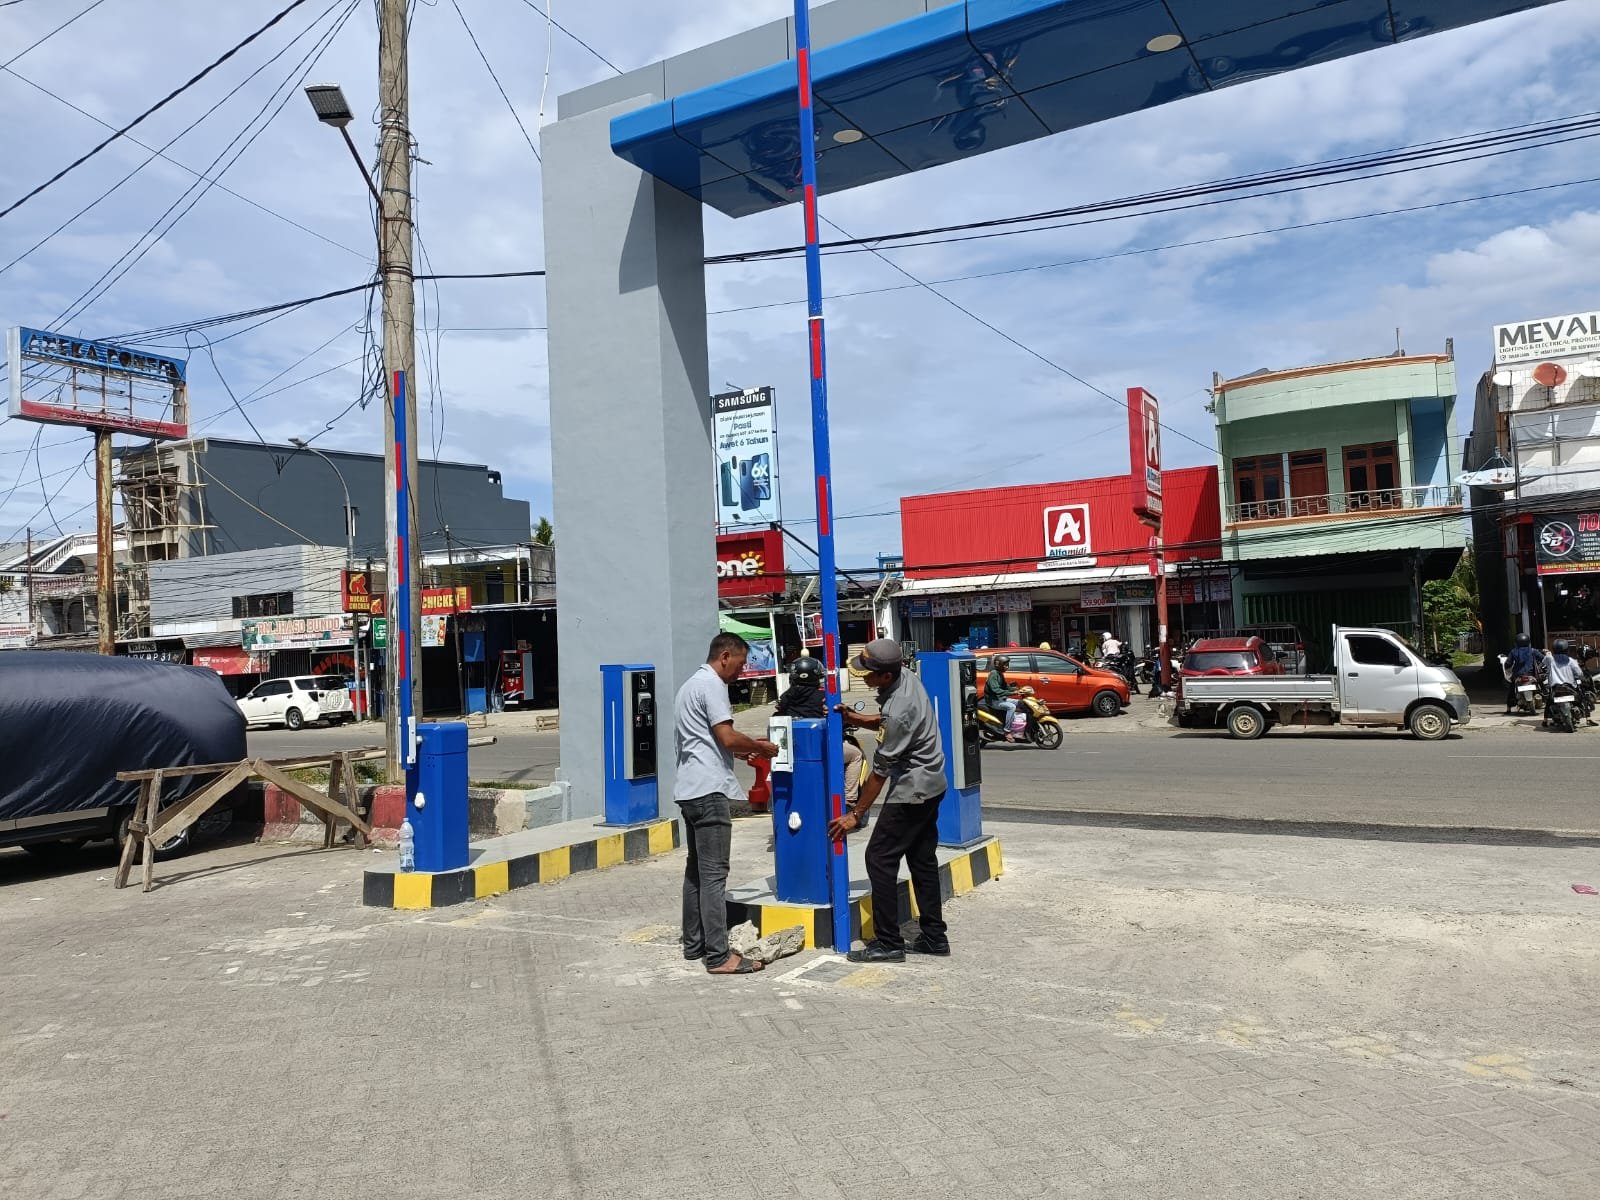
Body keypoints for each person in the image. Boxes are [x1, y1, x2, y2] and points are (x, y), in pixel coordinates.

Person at [828, 639, 949, 963]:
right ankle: (934, 937)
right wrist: (855, 718)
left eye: (868, 674)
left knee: (879, 858)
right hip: (933, 783)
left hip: (913, 790)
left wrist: (855, 814)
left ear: (885, 675)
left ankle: (889, 942)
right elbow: (887, 722)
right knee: (921, 860)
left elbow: (879, 772)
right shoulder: (905, 677)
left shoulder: (899, 710)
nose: (864, 678)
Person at [674, 632, 779, 976]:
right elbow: (727, 736)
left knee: (696, 872)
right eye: (740, 663)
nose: (742, 670)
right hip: (709, 791)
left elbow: (708, 741)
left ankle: (694, 945)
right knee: (714, 875)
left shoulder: (689, 686)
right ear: (725, 657)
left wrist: (739, 750)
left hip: (688, 789)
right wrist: (761, 748)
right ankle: (718, 956)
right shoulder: (713, 685)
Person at [775, 655, 866, 813]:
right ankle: (849, 800)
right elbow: (843, 715)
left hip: (793, 751)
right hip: (820, 749)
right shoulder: (824, 697)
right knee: (856, 755)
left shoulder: (785, 698)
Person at [985, 654, 1021, 740]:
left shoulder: (1000, 674)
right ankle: (1007, 731)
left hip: (1000, 698)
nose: (1007, 667)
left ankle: (1017, 724)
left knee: (1020, 703)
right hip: (993, 700)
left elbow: (1005, 686)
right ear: (999, 665)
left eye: (1007, 665)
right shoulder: (993, 674)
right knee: (1011, 707)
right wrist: (1012, 693)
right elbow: (996, 690)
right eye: (1005, 665)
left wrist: (1018, 689)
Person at [1504, 632, 1542, 714]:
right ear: (1528, 642)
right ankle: (1544, 699)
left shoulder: (1513, 652)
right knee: (1541, 685)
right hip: (1531, 675)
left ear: (1516, 642)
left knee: (1511, 689)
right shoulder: (1533, 651)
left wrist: (1507, 667)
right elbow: (1542, 658)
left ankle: (1508, 708)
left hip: (1518, 675)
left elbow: (1508, 663)